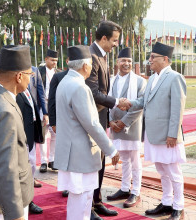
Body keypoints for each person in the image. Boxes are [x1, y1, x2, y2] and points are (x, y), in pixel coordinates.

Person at [54, 45, 120, 220]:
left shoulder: (65, 82)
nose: (91, 68)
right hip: (80, 153)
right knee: (83, 200)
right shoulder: (79, 87)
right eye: (91, 64)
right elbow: (92, 123)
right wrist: (111, 149)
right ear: (85, 66)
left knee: (77, 200)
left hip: (71, 153)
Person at [124, 42, 186, 220]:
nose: (149, 60)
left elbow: (177, 109)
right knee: (161, 170)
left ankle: (179, 207)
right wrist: (128, 102)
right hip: (152, 134)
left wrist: (173, 134)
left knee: (173, 171)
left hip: (167, 136)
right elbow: (143, 102)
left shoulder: (175, 77)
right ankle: (167, 203)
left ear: (165, 59)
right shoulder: (152, 78)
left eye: (153, 57)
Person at [0, 45, 34, 219]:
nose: (30, 80)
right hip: (0, 206)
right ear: (19, 76)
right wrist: (15, 214)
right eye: (29, 75)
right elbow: (5, 169)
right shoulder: (5, 112)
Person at [85, 20, 128, 220]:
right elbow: (94, 93)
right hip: (91, 120)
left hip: (101, 118)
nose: (115, 45)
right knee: (93, 163)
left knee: (100, 162)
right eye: (114, 40)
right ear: (103, 38)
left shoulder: (101, 56)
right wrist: (117, 102)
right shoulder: (91, 57)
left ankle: (97, 201)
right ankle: (89, 208)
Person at [106, 48, 146, 207]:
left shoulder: (140, 81)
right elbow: (106, 102)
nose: (126, 64)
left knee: (135, 160)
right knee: (124, 159)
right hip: (115, 126)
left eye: (129, 61)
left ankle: (135, 191)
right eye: (123, 60)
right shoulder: (111, 80)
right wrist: (110, 121)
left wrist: (123, 122)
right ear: (117, 62)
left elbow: (141, 104)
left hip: (132, 126)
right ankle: (124, 188)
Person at [16, 87, 44, 215]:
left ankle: (29, 198)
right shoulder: (12, 89)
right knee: (22, 169)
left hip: (31, 132)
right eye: (28, 74)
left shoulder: (26, 88)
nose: (30, 77)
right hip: (21, 136)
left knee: (31, 165)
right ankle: (25, 200)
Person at [48, 59, 69, 198]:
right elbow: (52, 100)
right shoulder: (58, 77)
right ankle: (66, 185)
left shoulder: (86, 76)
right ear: (67, 61)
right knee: (64, 154)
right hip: (62, 123)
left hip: (79, 125)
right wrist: (53, 122)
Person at [38, 49, 59, 173]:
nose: (54, 62)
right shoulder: (39, 72)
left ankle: (52, 160)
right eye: (52, 60)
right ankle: (43, 162)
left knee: (55, 134)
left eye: (56, 60)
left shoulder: (60, 73)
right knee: (43, 134)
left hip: (54, 107)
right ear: (46, 59)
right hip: (42, 105)